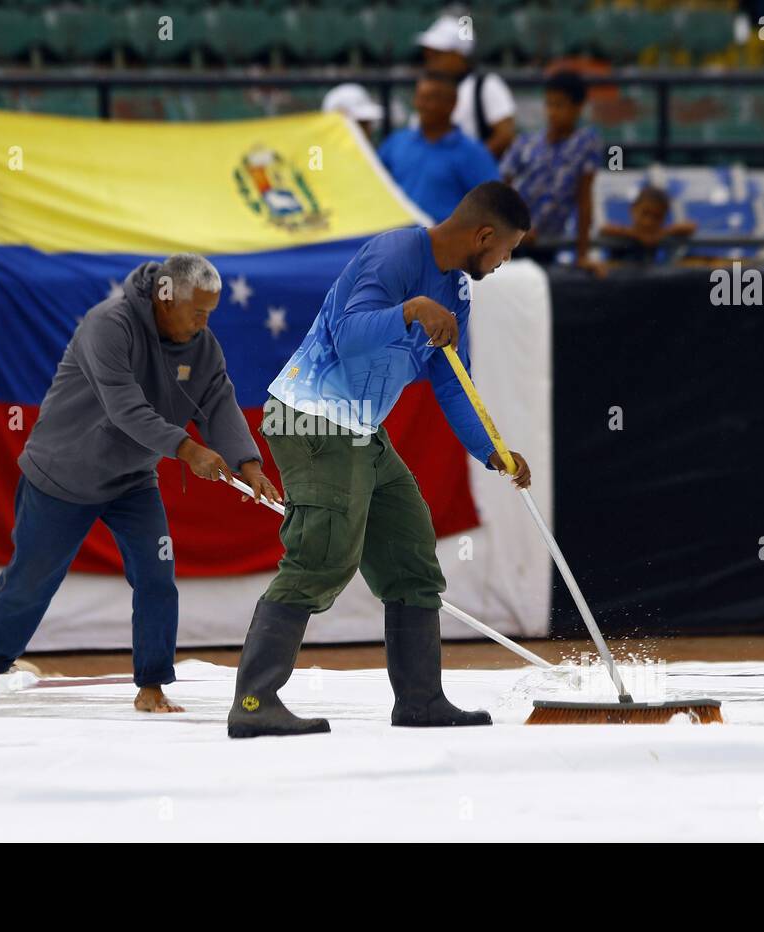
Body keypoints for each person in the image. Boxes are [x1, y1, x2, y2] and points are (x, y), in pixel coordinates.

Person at [227, 182, 534, 739]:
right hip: (310, 418)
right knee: (322, 555)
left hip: (361, 429)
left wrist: (493, 450)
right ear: (483, 235)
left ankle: (419, 701)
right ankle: (254, 704)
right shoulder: (394, 254)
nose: (505, 261)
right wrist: (411, 311)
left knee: (411, 560)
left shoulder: (456, 290)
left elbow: (451, 382)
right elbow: (347, 339)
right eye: (507, 251)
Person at [0, 255, 279, 714]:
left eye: (211, 311)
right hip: (62, 474)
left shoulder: (201, 345)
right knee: (32, 579)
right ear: (165, 300)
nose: (206, 322)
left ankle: (151, 685)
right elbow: (124, 409)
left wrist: (249, 465)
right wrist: (188, 451)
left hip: (132, 480)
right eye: (199, 311)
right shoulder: (108, 325)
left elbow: (218, 401)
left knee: (156, 574)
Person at [500, 69, 604, 276]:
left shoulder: (587, 144)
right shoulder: (526, 143)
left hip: (547, 241)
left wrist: (582, 255)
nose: (552, 112)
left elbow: (584, 199)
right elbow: (503, 189)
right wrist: (516, 226)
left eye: (560, 105)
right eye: (549, 104)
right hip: (510, 242)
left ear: (578, 108)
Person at [378, 74, 499, 222]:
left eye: (430, 99)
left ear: (452, 103)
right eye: (419, 97)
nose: (421, 104)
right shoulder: (395, 142)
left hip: (446, 243)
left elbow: (492, 207)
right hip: (396, 239)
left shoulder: (474, 153)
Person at [416, 13, 517, 159]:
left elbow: (505, 135)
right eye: (428, 54)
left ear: (459, 55)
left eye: (438, 54)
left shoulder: (487, 85)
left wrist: (471, 163)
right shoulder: (427, 88)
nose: (430, 60)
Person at [600, 185, 697, 265]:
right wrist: (636, 235)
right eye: (645, 213)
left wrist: (661, 233)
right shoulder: (621, 234)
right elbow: (605, 229)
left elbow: (691, 226)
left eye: (657, 217)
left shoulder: (659, 234)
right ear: (633, 209)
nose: (649, 221)